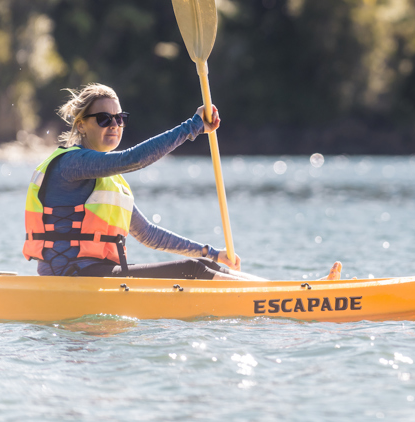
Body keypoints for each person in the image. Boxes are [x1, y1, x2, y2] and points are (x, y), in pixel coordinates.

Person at [23, 83, 342, 281]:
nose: (115, 125)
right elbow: (132, 159)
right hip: (71, 278)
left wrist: (211, 252)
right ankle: (292, 298)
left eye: (120, 119)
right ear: (81, 124)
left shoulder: (109, 182)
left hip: (96, 276)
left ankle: (287, 292)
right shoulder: (71, 164)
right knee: (194, 270)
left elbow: (148, 234)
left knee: (207, 266)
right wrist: (193, 127)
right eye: (104, 119)